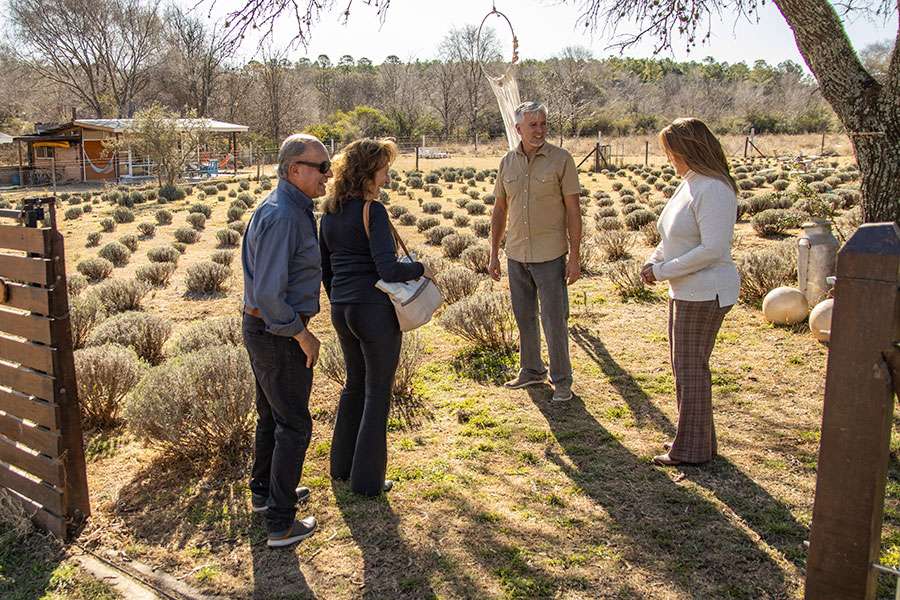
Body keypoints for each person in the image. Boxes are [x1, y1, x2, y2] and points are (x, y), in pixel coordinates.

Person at [319, 138, 435, 496]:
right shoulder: (374, 211)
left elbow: (326, 270)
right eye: (384, 170)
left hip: (342, 309)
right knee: (378, 392)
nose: (387, 177)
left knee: (354, 385)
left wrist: (342, 301)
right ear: (367, 172)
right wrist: (421, 267)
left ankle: (341, 468)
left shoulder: (330, 213)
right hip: (373, 312)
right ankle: (368, 482)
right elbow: (388, 269)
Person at [241, 133, 331, 547]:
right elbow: (269, 295)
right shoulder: (284, 216)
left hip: (267, 330)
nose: (327, 176)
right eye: (321, 168)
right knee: (294, 424)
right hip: (278, 333)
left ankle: (266, 493)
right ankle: (280, 522)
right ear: (295, 169)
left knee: (272, 416)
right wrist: (302, 335)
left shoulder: (287, 207)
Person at [640, 117, 740, 467]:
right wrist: (654, 261)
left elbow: (712, 249)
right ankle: (698, 441)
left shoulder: (714, 189)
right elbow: (672, 236)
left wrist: (662, 271)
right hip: (685, 291)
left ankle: (691, 450)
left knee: (691, 370)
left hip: (705, 292)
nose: (669, 158)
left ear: (688, 149)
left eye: (671, 151)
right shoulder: (690, 183)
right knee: (686, 368)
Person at [488, 101, 582, 402]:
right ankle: (531, 370)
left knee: (554, 320)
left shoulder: (561, 160)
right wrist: (494, 252)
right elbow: (500, 209)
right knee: (524, 316)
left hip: (550, 255)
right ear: (518, 129)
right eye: (533, 125)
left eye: (543, 124)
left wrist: (575, 256)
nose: (540, 130)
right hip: (516, 254)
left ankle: (562, 380)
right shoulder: (507, 162)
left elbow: (574, 210)